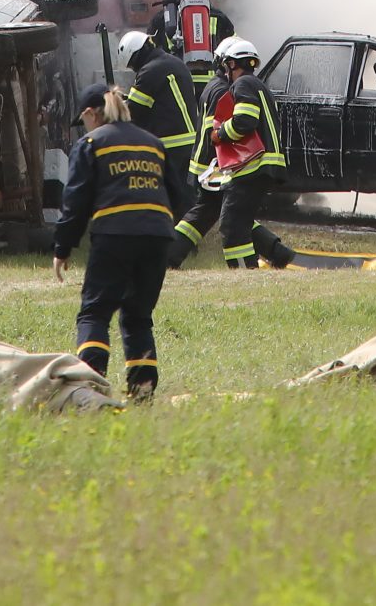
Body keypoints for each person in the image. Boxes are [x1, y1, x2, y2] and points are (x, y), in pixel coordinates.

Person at [53, 85, 183, 400]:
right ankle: (142, 390)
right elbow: (180, 196)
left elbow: (75, 202)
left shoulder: (91, 143)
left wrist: (62, 248)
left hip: (115, 235)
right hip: (157, 236)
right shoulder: (153, 143)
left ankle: (91, 386)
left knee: (94, 312)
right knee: (138, 316)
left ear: (89, 113)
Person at [171, 36, 293, 272]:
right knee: (229, 216)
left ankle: (244, 272)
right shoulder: (259, 85)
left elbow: (244, 121)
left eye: (226, 65)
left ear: (232, 64)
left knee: (232, 223)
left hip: (249, 166)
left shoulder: (241, 86)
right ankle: (274, 256)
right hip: (261, 164)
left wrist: (221, 134)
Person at [118, 27, 200, 201]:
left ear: (137, 54)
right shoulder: (174, 62)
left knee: (169, 201)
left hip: (171, 146)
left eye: (132, 64)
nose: (134, 69)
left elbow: (132, 112)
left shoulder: (149, 71)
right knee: (185, 197)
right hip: (191, 142)